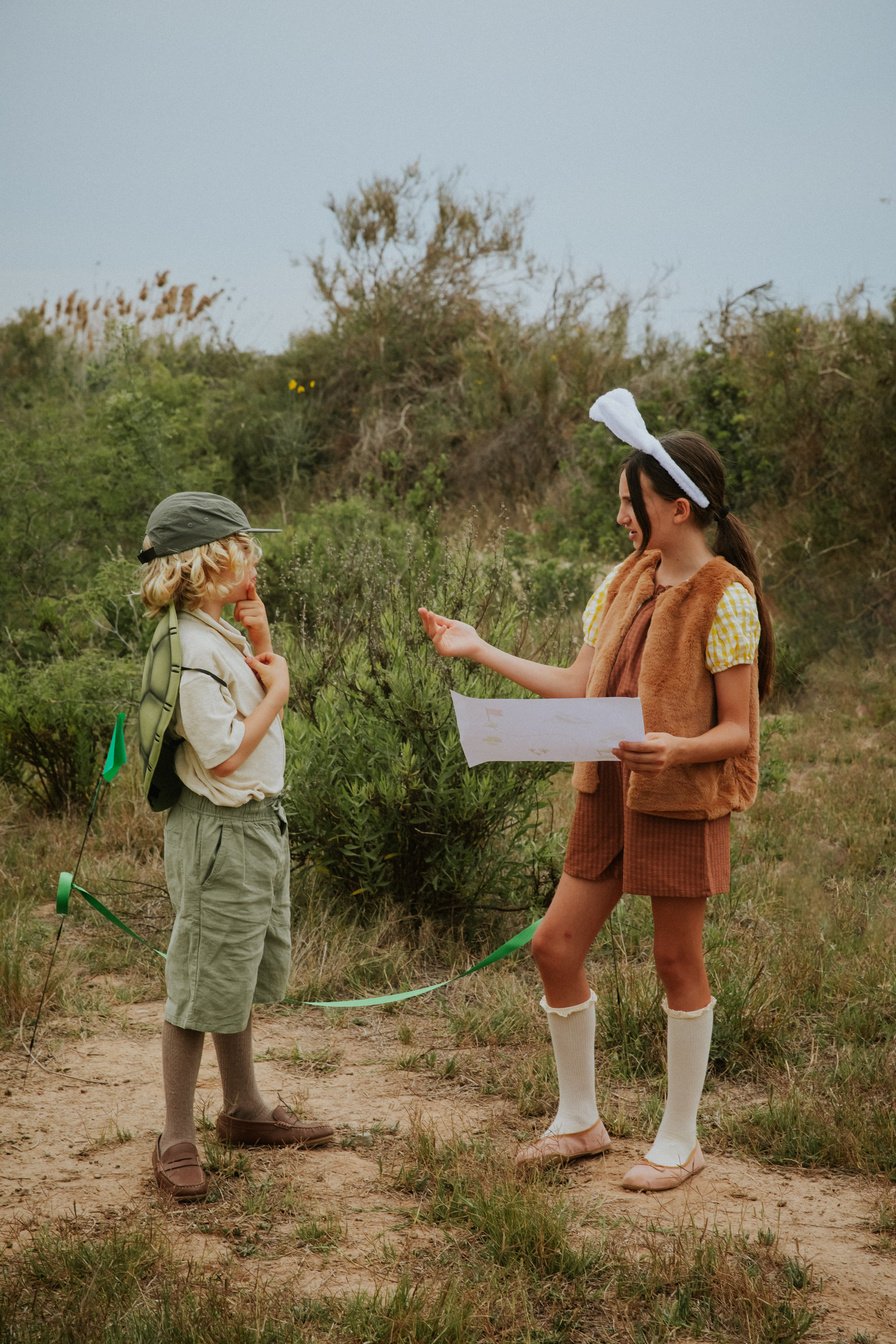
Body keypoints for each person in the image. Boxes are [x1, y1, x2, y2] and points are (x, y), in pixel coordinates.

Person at [418, 389, 774, 1192]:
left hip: (678, 798)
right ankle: (579, 1122)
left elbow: (738, 732)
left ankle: (680, 1138)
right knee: (553, 947)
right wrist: (479, 651)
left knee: (676, 959)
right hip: (607, 794)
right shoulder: (624, 581)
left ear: (675, 508)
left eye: (631, 503)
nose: (620, 517)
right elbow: (579, 684)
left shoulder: (727, 597)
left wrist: (677, 751)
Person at [138, 492, 334, 1202]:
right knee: (199, 982)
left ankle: (245, 1107)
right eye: (245, 547)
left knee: (236, 968)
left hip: (252, 829)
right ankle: (176, 1135)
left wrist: (260, 639)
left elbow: (241, 700)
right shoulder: (189, 647)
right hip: (220, 831)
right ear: (210, 562)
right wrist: (280, 689)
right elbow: (221, 754)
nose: (255, 558)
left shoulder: (211, 633)